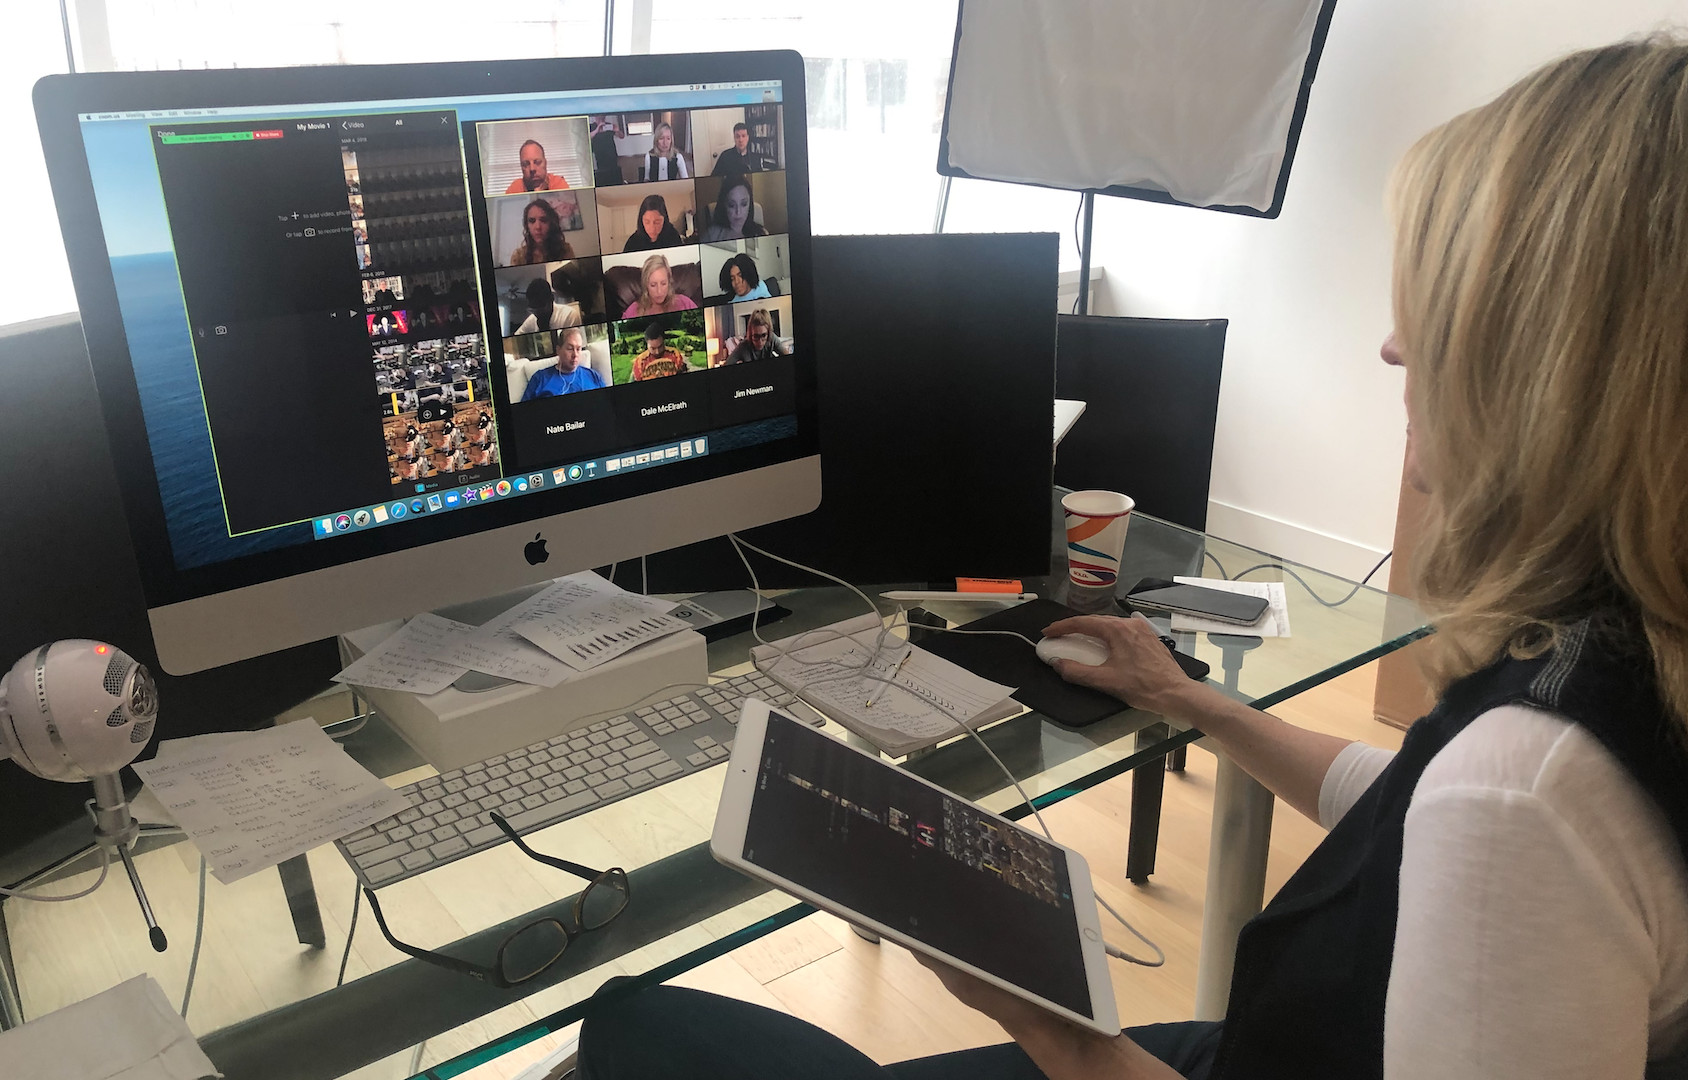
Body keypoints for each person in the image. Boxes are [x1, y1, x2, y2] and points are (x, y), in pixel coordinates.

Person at [574, 38, 1688, 1080]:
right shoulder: (1618, 658)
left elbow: (1484, 817)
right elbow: (1413, 807)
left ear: (1544, 369)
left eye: (1436, 312)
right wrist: (1194, 702)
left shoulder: (1522, 796)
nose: (1394, 347)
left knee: (632, 1024)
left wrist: (1039, 1012)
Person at [521, 327, 607, 400]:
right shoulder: (539, 378)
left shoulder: (593, 376)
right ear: (558, 350)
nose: (575, 355)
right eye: (570, 348)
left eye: (578, 349)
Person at [623, 253, 699, 318]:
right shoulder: (633, 311)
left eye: (663, 283)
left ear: (669, 281)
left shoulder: (685, 303)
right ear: (646, 284)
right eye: (653, 285)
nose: (659, 291)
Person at [698, 176, 766, 243]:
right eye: (731, 205)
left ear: (750, 204)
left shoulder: (761, 234)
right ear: (724, 205)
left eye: (744, 204)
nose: (738, 212)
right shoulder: (711, 236)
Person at [509, 198, 574, 265]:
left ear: (551, 223)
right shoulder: (518, 257)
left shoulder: (565, 250)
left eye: (543, 220)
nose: (538, 227)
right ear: (527, 225)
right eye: (532, 221)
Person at [515, 278, 581, 334]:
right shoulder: (532, 319)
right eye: (533, 310)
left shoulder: (569, 315)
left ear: (551, 299)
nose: (537, 314)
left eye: (541, 309)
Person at [504, 139, 570, 193]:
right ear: (521, 167)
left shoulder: (558, 184)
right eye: (526, 164)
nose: (532, 169)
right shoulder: (515, 189)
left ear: (545, 163)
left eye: (537, 162)